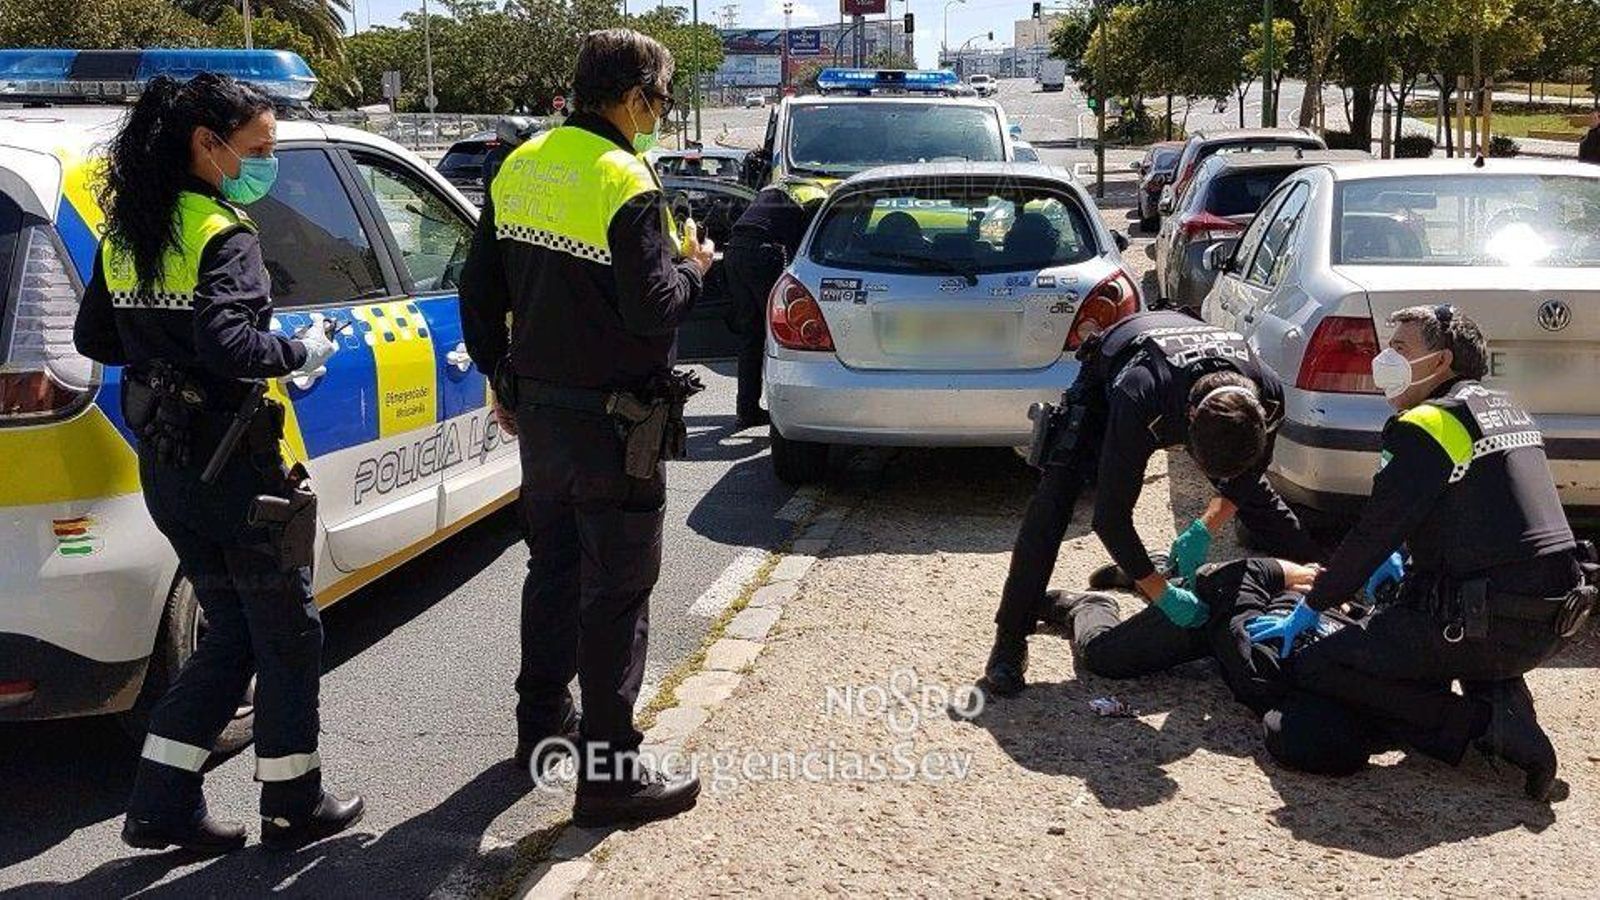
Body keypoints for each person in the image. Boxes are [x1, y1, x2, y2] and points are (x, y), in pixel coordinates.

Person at [72, 73, 361, 854]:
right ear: (208, 142)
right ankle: (295, 804)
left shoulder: (131, 231)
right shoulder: (220, 233)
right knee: (290, 633)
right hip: (235, 469)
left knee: (231, 633)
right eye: (257, 148)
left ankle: (160, 805)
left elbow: (95, 339)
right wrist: (301, 349)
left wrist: (158, 355)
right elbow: (232, 346)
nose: (262, 163)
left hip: (168, 468)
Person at [459, 28, 715, 828]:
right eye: (662, 101)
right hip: (617, 426)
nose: (661, 116)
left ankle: (542, 725)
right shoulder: (625, 179)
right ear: (635, 97)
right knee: (618, 592)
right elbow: (653, 309)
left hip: (542, 419)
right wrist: (695, 271)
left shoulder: (521, 164)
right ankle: (608, 776)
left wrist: (504, 378)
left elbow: (476, 290)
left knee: (554, 570)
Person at [1245, 305, 1593, 800]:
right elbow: (1476, 518)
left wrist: (1314, 603)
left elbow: (1373, 533)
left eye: (1401, 349)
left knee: (1318, 664)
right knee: (1411, 626)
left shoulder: (1427, 423)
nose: (1385, 359)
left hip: (1485, 623)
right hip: (1549, 618)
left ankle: (1482, 725)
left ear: (1442, 362)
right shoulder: (1504, 408)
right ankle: (1502, 698)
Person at [983, 309, 1323, 697]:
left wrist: (1205, 527)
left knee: (1257, 498)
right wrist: (1164, 595)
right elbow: (1110, 517)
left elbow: (1244, 481)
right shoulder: (1139, 394)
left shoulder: (1271, 395)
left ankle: (1327, 585)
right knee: (1054, 499)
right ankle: (1010, 638)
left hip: (1200, 383)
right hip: (1118, 372)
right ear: (1189, 420)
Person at [722, 174, 828, 428]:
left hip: (734, 250)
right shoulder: (819, 199)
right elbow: (807, 251)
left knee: (751, 334)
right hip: (764, 253)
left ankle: (746, 410)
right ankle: (787, 410)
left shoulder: (784, 185)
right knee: (781, 333)